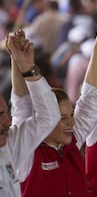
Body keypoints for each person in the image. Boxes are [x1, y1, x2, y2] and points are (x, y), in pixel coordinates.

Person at [9, 13, 97, 197]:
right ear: (44, 118)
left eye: (70, 115)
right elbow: (21, 106)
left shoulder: (72, 141)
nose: (71, 123)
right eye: (62, 118)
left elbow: (91, 96)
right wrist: (17, 60)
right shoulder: (26, 153)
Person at [1, 30, 61, 197]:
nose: (7, 120)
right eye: (0, 115)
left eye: (6, 113)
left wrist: (23, 64)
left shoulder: (8, 146)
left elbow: (44, 116)